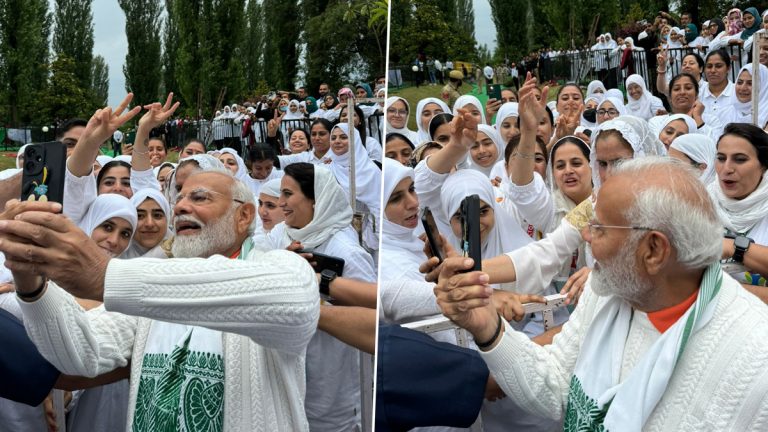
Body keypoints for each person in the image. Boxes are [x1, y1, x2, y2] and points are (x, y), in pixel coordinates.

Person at [430, 156, 768, 430]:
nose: (586, 238)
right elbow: (555, 388)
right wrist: (488, 327)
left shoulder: (755, 363)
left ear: (653, 251)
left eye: (600, 228)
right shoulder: (607, 290)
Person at [0, 169, 320, 431]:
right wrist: (32, 282)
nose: (180, 206)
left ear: (243, 215)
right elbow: (79, 354)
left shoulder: (280, 266)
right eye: (178, 197)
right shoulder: (154, 293)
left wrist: (104, 276)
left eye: (199, 197)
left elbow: (293, 305)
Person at [708, 123, 768, 298]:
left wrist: (732, 247)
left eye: (740, 159)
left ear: (763, 165)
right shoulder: (700, 202)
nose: (727, 169)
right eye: (720, 158)